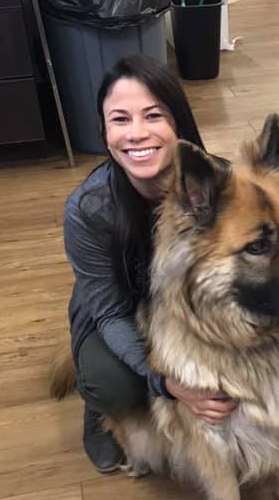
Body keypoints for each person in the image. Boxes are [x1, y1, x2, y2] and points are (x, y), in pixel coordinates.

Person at [63, 54, 238, 472]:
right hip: (124, 308)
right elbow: (109, 313)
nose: (137, 133)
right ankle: (99, 405)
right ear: (104, 132)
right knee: (112, 383)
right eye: (120, 119)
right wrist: (168, 383)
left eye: (153, 115)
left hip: (196, 311)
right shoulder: (87, 210)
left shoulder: (225, 185)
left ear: (179, 123)